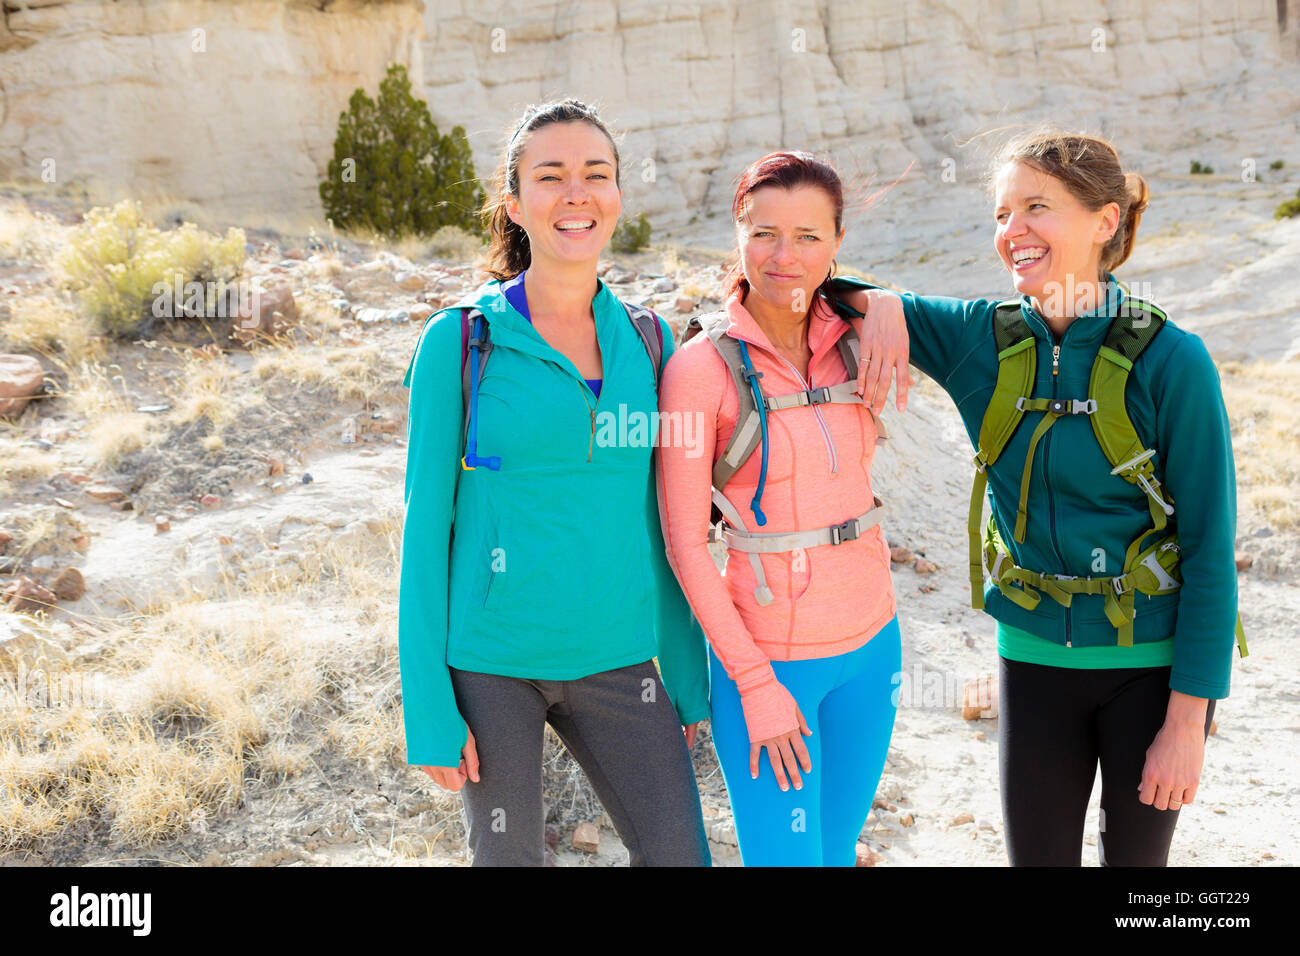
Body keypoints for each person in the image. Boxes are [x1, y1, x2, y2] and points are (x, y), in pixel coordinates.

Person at [832, 130, 1246, 866]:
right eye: (1000, 213)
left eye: (1035, 208)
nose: (1011, 231)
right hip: (1031, 665)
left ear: (1105, 221)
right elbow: (812, 286)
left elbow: (1212, 554)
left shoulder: (1172, 360)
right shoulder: (976, 341)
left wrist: (1188, 724)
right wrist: (882, 301)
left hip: (1150, 671)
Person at [397, 99, 711, 866]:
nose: (577, 193)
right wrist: (428, 707)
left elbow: (663, 522)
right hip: (492, 660)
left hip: (619, 657)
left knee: (680, 855)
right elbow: (423, 527)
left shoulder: (650, 340)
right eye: (551, 176)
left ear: (618, 196)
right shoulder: (461, 342)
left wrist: (688, 675)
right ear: (514, 203)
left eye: (595, 174)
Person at [656, 151, 902, 866]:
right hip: (772, 663)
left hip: (873, 647)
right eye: (763, 233)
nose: (784, 256)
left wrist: (880, 300)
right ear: (736, 234)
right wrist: (755, 686)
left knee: (833, 851)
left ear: (837, 244)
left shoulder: (861, 338)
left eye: (808, 236)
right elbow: (684, 544)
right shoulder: (697, 371)